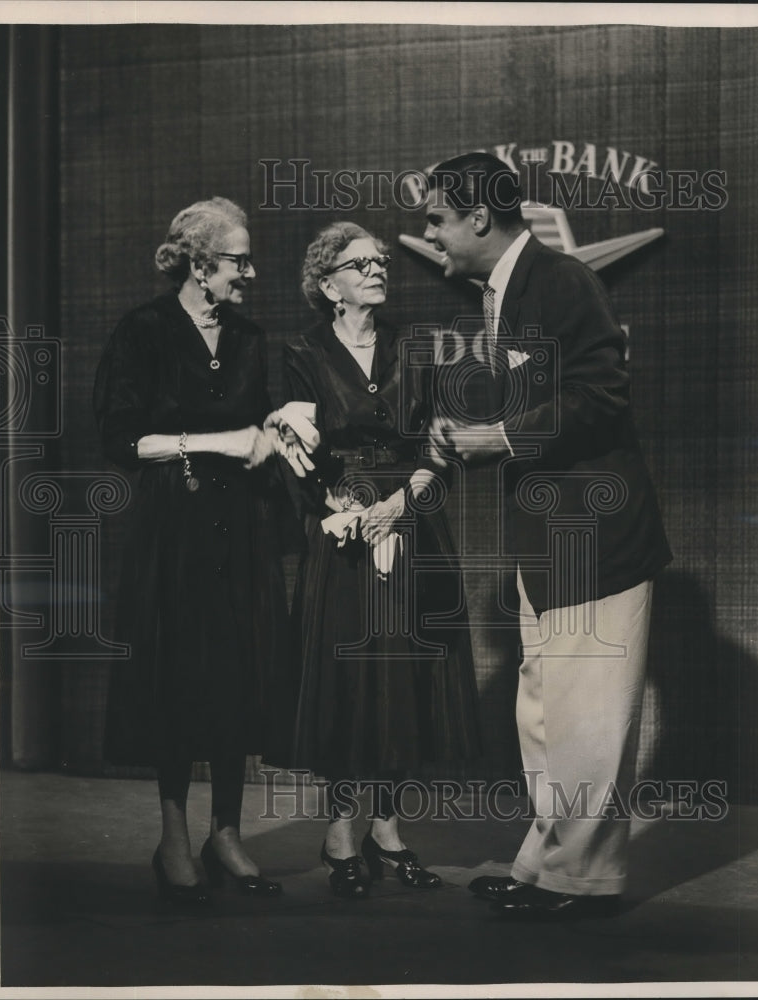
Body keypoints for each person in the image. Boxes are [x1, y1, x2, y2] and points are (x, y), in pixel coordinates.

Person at [421, 153, 672, 920]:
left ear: (476, 217)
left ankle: (582, 881)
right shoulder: (505, 290)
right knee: (546, 706)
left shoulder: (560, 280)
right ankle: (543, 862)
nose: (426, 233)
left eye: (435, 218)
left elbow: (600, 398)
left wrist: (493, 437)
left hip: (593, 535)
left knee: (587, 713)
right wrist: (474, 433)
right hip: (549, 534)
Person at [94, 197, 314, 906]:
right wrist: (220, 441)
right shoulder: (145, 332)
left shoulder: (249, 337)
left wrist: (280, 428)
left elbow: (258, 427)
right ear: (198, 262)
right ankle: (173, 837)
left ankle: (226, 832)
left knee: (236, 676)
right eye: (238, 259)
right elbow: (122, 440)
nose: (249, 271)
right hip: (174, 530)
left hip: (241, 527)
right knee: (176, 678)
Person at [283, 222, 481, 898]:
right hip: (339, 533)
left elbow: (439, 448)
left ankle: (387, 829)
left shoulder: (414, 350)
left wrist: (403, 502)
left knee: (405, 678)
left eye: (379, 261)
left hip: (412, 521)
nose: (375, 270)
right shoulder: (299, 353)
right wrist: (333, 507)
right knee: (350, 677)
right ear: (326, 283)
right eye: (357, 263)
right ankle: (341, 827)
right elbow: (293, 454)